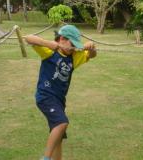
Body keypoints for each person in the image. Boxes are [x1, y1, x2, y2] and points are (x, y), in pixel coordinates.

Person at [25, 25, 97, 160]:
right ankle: (46, 158)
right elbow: (28, 38)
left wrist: (92, 48)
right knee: (62, 123)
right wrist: (48, 43)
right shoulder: (49, 51)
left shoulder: (74, 57)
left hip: (59, 100)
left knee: (58, 134)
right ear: (62, 39)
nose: (73, 48)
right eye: (72, 44)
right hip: (45, 96)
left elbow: (92, 56)